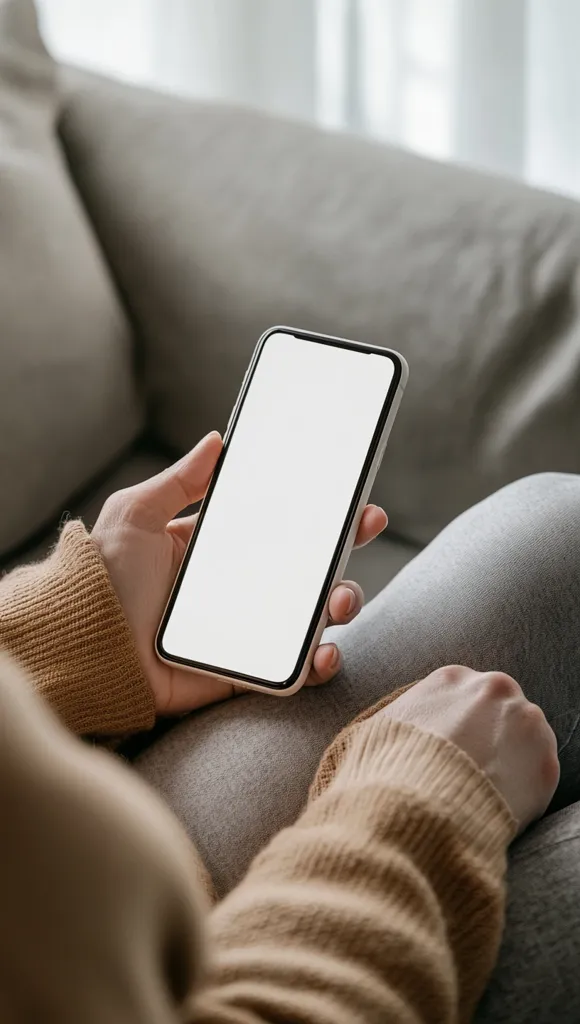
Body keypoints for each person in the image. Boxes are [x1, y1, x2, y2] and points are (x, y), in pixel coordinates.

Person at [0, 431, 570, 1023]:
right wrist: (417, 810)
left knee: (558, 528)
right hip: (195, 968)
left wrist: (82, 630)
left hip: (104, 861)